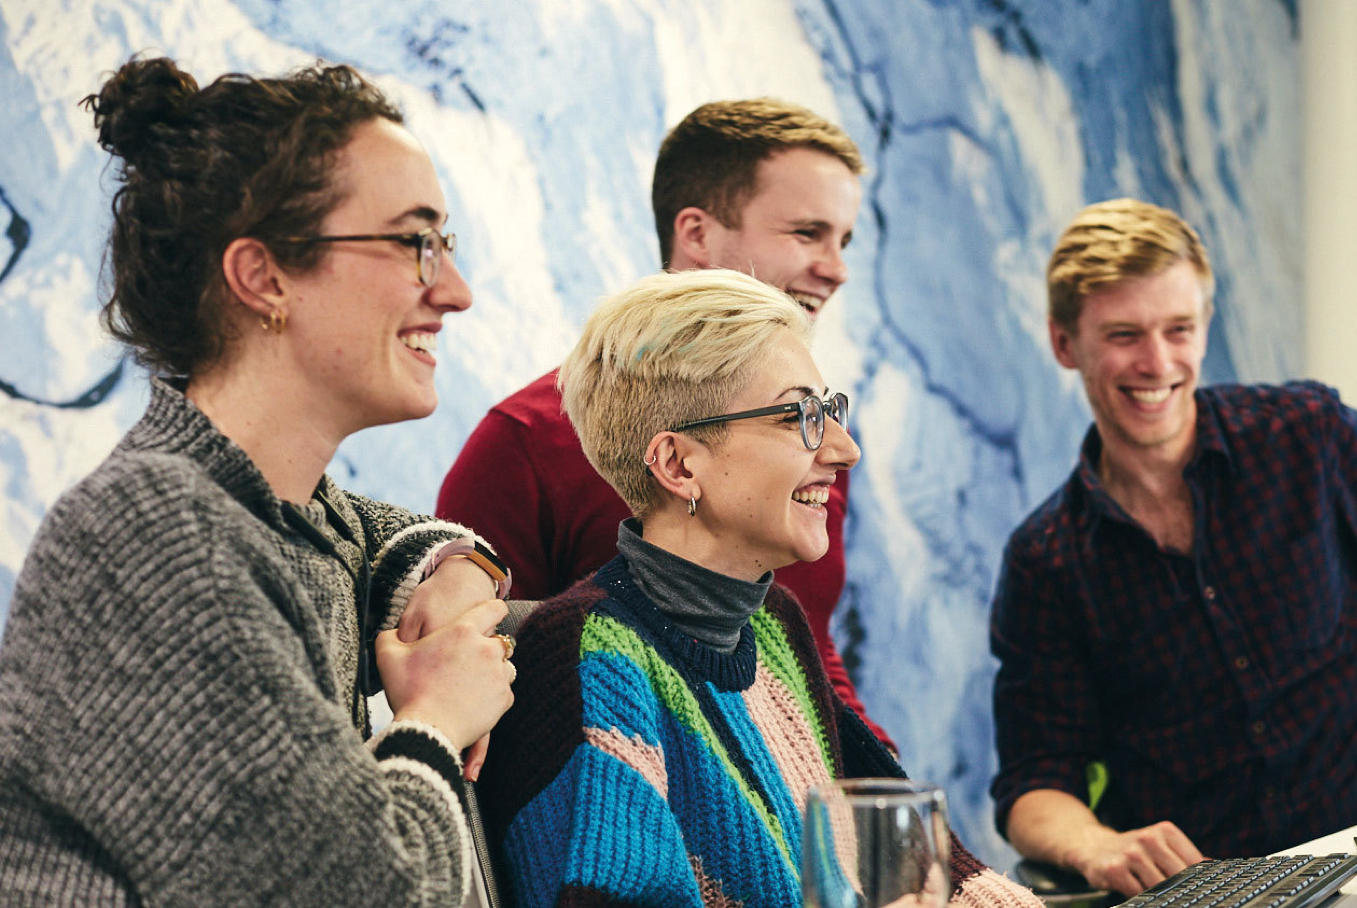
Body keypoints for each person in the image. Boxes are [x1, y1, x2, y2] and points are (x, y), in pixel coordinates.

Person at [0, 57, 518, 906]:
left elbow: (375, 539)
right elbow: (361, 895)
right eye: (412, 241)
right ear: (265, 277)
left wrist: (456, 570)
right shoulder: (152, 533)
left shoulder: (277, 512)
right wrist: (435, 721)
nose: (453, 291)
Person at [990, 198, 1357, 896]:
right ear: (1066, 344)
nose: (1157, 363)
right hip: (1209, 890)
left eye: (1178, 329)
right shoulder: (1046, 561)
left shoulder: (1309, 436)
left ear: (1204, 326)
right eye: (1124, 334)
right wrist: (1096, 846)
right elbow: (1034, 784)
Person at [475, 269, 1039, 908]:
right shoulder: (590, 656)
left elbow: (913, 857)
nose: (845, 448)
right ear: (679, 465)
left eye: (830, 411)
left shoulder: (774, 621)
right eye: (799, 415)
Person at [434, 98, 896, 749]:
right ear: (698, 233)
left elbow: (810, 645)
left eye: (843, 240)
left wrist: (880, 785)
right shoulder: (525, 442)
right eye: (806, 233)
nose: (837, 268)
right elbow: (472, 682)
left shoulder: (812, 440)